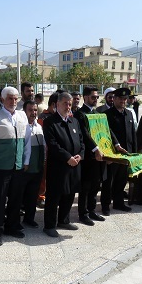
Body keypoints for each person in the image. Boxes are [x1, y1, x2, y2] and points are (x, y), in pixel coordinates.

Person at [0, 86, 31, 246]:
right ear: (2, 100)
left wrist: (26, 160)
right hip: (0, 167)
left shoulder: (22, 116)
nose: (13, 101)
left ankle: (12, 226)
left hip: (17, 166)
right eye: (10, 98)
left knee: (16, 199)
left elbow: (27, 140)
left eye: (16, 98)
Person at [43, 92, 84, 238]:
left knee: (70, 193)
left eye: (70, 103)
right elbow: (53, 144)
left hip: (74, 165)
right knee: (54, 196)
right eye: (65, 103)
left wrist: (80, 155)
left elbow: (81, 141)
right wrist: (67, 157)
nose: (68, 106)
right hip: (58, 167)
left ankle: (64, 220)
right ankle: (49, 225)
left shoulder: (74, 121)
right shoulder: (50, 122)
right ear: (57, 104)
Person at [74, 86, 106, 224]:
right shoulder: (80, 114)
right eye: (93, 97)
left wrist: (115, 146)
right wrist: (95, 149)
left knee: (96, 185)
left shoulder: (97, 113)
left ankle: (92, 210)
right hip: (88, 156)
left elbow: (106, 131)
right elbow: (85, 134)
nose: (95, 99)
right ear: (85, 97)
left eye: (97, 97)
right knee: (85, 186)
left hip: (100, 155)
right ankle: (83, 213)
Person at [105, 87, 137, 212]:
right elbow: (107, 133)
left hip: (126, 153)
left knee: (122, 180)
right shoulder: (108, 115)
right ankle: (106, 205)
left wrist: (134, 151)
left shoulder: (128, 113)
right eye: (121, 99)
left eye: (125, 99)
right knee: (109, 181)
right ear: (115, 99)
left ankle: (118, 203)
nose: (123, 101)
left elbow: (132, 134)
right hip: (113, 154)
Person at [21, 101, 45, 228]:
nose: (33, 112)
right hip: (25, 169)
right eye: (30, 110)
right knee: (19, 197)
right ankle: (13, 221)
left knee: (32, 196)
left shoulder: (38, 126)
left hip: (37, 168)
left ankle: (29, 218)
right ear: (24, 111)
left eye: (35, 110)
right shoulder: (21, 126)